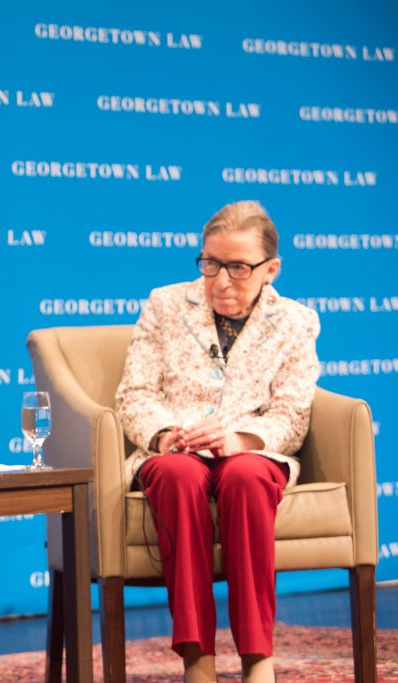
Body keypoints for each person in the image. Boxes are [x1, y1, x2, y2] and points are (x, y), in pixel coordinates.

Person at [115, 201, 320, 683]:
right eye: (210, 264)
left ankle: (257, 658)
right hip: (177, 448)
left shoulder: (296, 321)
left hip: (251, 450)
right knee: (177, 474)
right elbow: (134, 394)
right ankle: (197, 659)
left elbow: (293, 414)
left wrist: (241, 439)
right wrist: (168, 436)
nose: (221, 281)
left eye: (239, 267)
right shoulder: (165, 305)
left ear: (271, 269)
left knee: (247, 478)